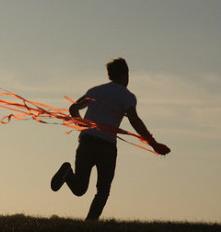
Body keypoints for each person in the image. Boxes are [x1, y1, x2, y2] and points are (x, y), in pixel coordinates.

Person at [51, 58, 170, 220]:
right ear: (126, 75)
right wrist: (153, 144)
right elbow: (134, 120)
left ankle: (67, 172)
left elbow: (73, 108)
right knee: (103, 190)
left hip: (86, 141)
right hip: (106, 146)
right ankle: (89, 224)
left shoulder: (95, 91)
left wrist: (83, 125)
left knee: (80, 188)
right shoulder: (127, 96)